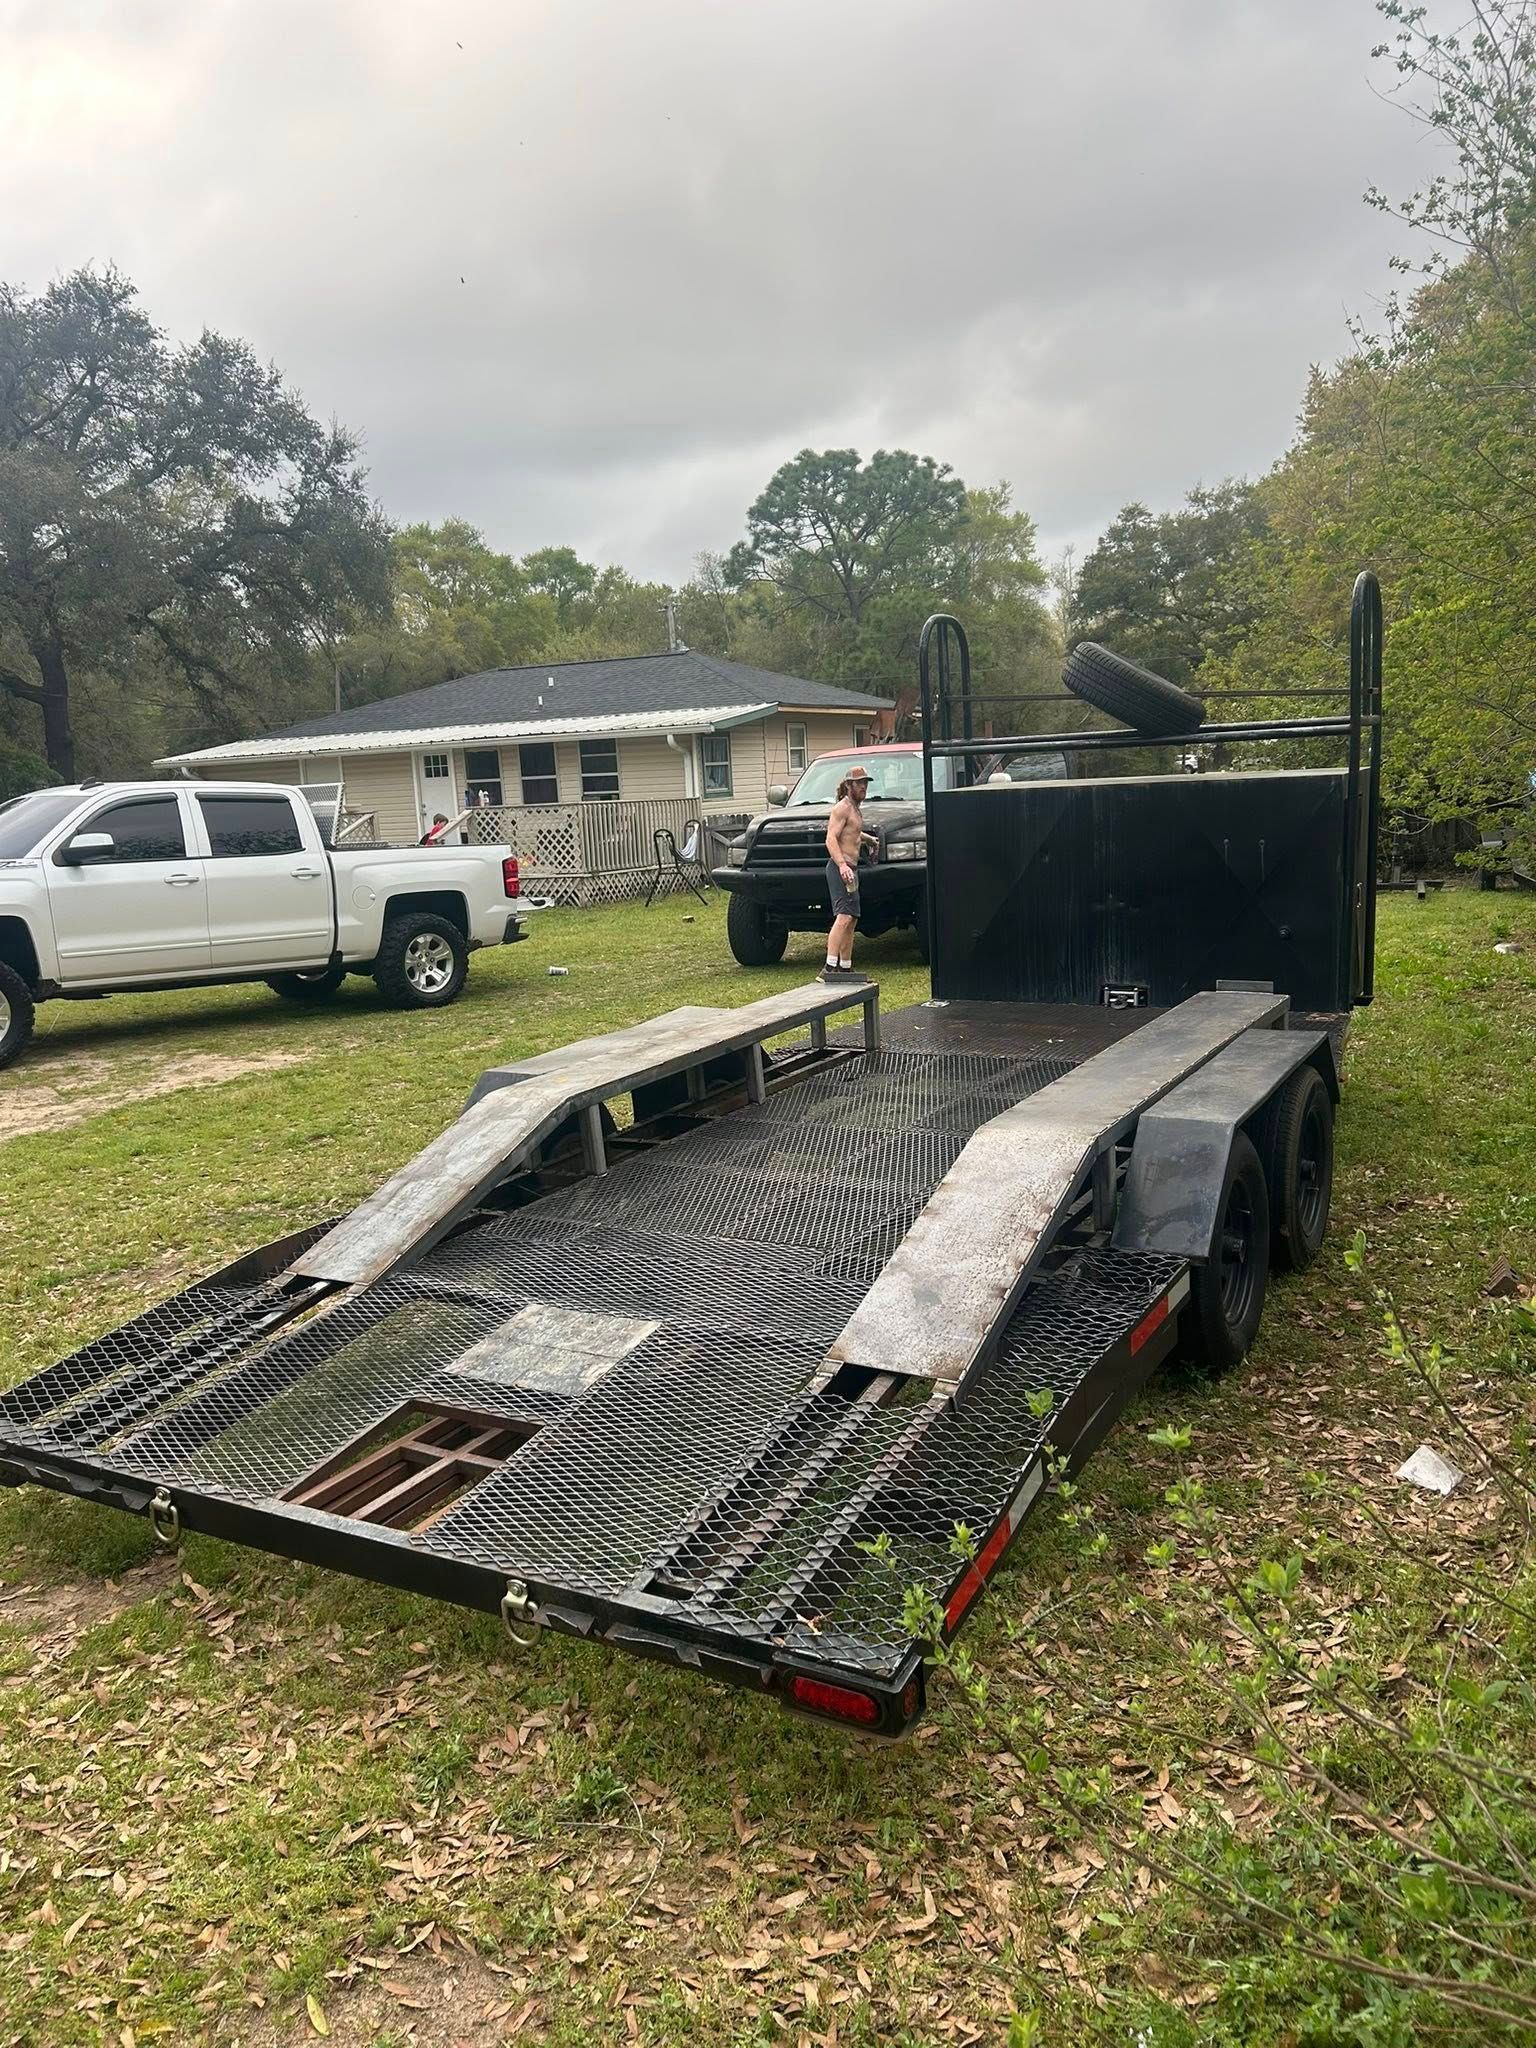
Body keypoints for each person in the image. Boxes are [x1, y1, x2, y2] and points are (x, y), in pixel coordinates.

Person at [821, 766, 876, 981]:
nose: (863, 786)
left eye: (866, 783)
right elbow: (831, 838)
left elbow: (851, 831)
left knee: (852, 919)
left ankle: (845, 968)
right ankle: (829, 967)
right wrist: (842, 865)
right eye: (859, 783)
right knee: (843, 916)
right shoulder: (842, 808)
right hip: (839, 869)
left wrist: (868, 839)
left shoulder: (855, 809)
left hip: (851, 870)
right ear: (849, 785)